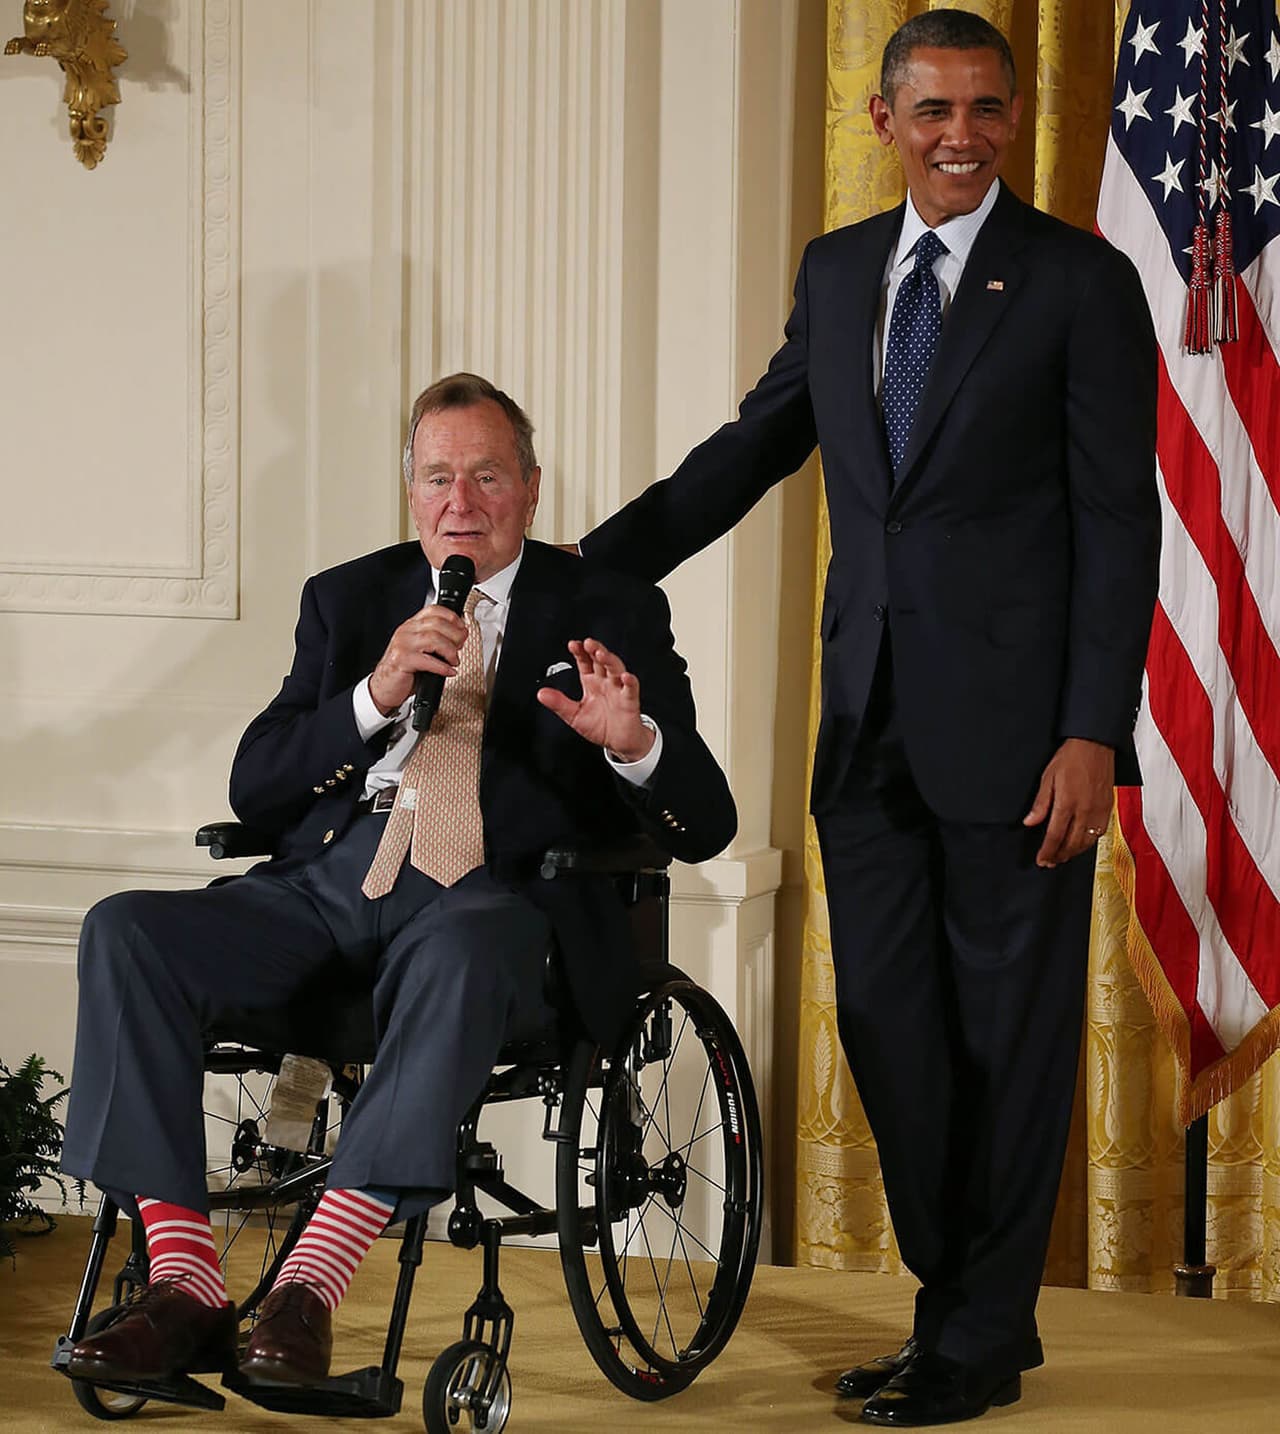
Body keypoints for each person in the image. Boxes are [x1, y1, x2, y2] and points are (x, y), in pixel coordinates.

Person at [579, 11, 1158, 1427]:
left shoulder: (1081, 283)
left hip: (1028, 744)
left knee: (1007, 1043)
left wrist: (1095, 728)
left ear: (1013, 120)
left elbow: (1117, 520)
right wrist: (577, 573)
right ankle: (962, 1303)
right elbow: (752, 449)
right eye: (936, 109)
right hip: (870, 729)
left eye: (988, 109)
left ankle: (968, 1336)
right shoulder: (841, 273)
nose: (963, 133)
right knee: (893, 1032)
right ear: (887, 121)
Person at [60, 372, 736, 1389]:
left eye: (485, 476)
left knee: (465, 942)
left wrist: (629, 740)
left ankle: (307, 1288)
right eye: (436, 479)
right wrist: (372, 694)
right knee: (126, 929)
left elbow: (707, 821)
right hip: (331, 882)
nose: (459, 504)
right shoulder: (347, 598)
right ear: (411, 494)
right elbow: (257, 782)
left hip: (497, 903)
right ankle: (187, 1283)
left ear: (531, 488)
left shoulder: (612, 607)